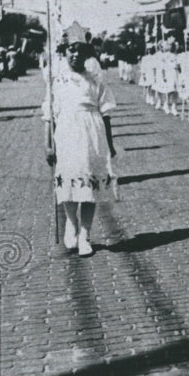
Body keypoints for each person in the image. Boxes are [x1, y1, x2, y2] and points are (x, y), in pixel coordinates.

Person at [43, 41, 117, 257]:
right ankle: (71, 224)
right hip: (66, 132)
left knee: (89, 182)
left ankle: (85, 234)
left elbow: (106, 114)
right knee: (67, 178)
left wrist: (110, 145)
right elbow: (48, 116)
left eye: (80, 51)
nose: (75, 54)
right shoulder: (57, 80)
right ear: (65, 53)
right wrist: (48, 144)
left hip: (92, 133)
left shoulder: (95, 79)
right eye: (71, 50)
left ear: (86, 55)